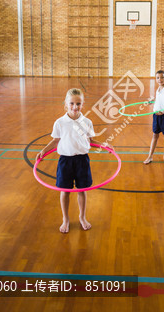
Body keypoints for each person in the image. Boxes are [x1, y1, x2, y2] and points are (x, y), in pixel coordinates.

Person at [36, 88, 110, 234]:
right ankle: (65, 219)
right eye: (71, 103)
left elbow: (91, 141)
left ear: (83, 104)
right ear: (65, 104)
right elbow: (55, 140)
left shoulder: (87, 122)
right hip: (65, 161)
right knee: (65, 191)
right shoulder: (60, 122)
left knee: (82, 190)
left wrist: (104, 145)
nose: (75, 107)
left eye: (78, 103)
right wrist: (43, 150)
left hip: (82, 161)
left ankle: (82, 217)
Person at [144, 70, 164, 165]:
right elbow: (158, 100)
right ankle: (150, 156)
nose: (160, 79)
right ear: (156, 79)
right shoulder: (158, 89)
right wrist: (152, 101)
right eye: (158, 77)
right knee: (154, 135)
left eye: (162, 77)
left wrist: (163, 112)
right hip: (156, 116)